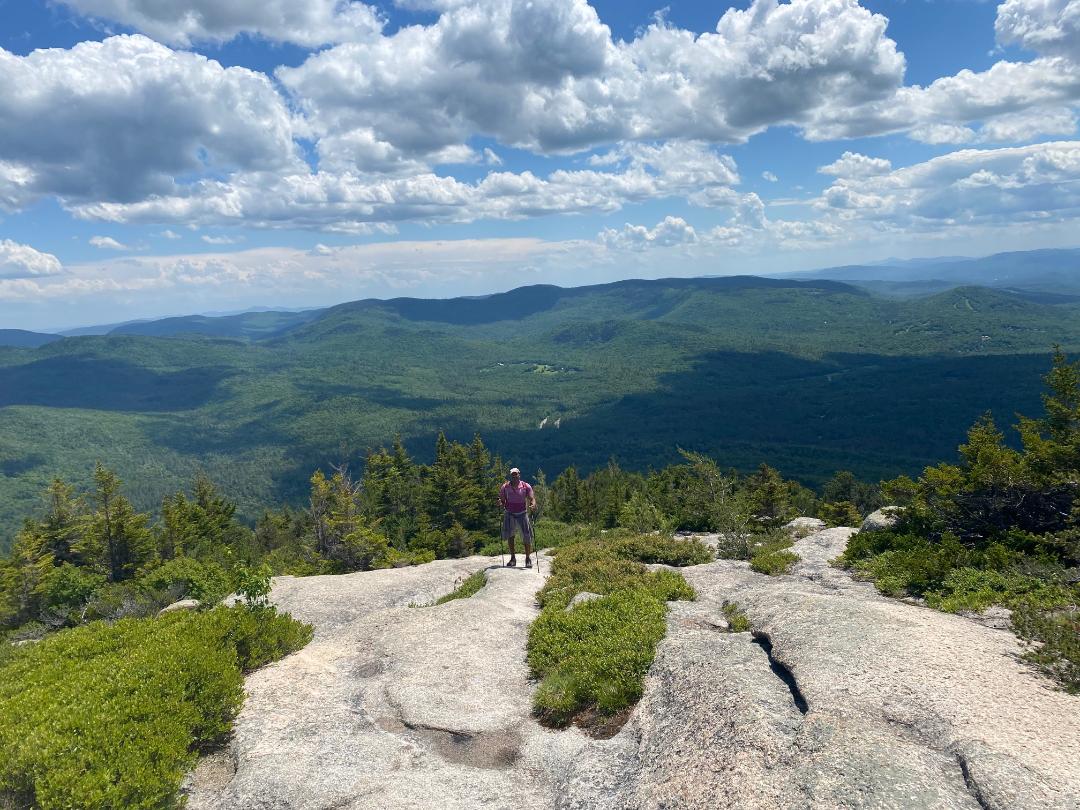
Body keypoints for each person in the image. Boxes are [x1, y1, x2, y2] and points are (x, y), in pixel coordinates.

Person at [499, 467, 537, 568]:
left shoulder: (525, 486)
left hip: (522, 513)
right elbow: (502, 500)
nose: (514, 476)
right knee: (510, 536)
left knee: (526, 535)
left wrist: (533, 504)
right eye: (513, 474)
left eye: (516, 474)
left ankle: (528, 558)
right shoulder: (505, 487)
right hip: (509, 513)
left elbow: (532, 498)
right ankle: (512, 558)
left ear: (519, 474)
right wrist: (500, 503)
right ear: (511, 475)